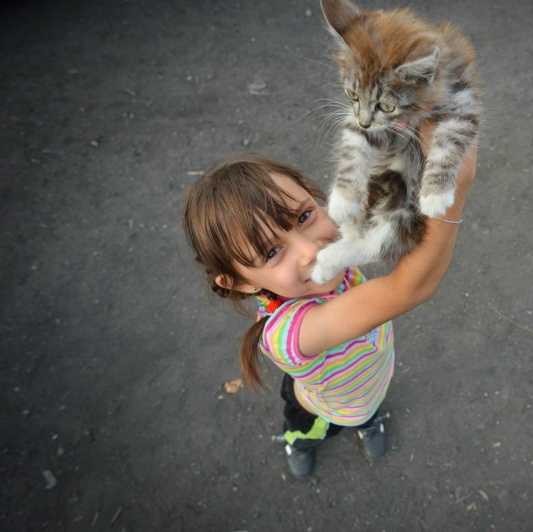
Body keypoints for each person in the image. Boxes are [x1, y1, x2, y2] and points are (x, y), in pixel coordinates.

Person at [183, 130, 477, 478]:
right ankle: (299, 443)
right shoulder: (291, 333)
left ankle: (367, 419)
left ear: (317, 198)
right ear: (241, 283)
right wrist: (452, 187)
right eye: (272, 253)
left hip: (369, 382)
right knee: (312, 431)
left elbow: (387, 189)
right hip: (324, 410)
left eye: (303, 217)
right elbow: (408, 289)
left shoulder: (334, 254)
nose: (311, 250)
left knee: (367, 408)